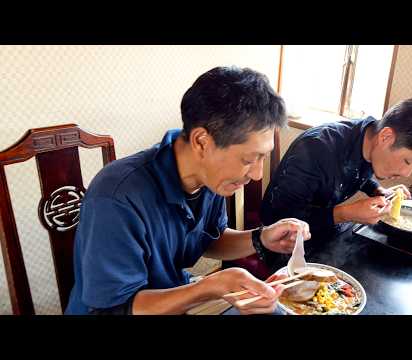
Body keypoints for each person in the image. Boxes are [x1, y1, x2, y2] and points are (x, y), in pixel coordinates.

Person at [65, 66, 310, 315]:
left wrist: (262, 238)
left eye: (263, 158)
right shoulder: (116, 198)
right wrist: (209, 287)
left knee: (277, 311)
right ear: (201, 141)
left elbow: (209, 240)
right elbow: (116, 308)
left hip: (175, 294)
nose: (257, 174)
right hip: (121, 309)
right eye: (249, 159)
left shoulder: (210, 178)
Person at [260, 97, 412, 270]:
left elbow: (358, 173)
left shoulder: (369, 139)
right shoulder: (316, 148)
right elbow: (277, 217)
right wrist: (346, 213)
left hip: (325, 235)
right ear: (386, 137)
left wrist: (378, 190)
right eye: (408, 161)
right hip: (285, 246)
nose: (406, 173)